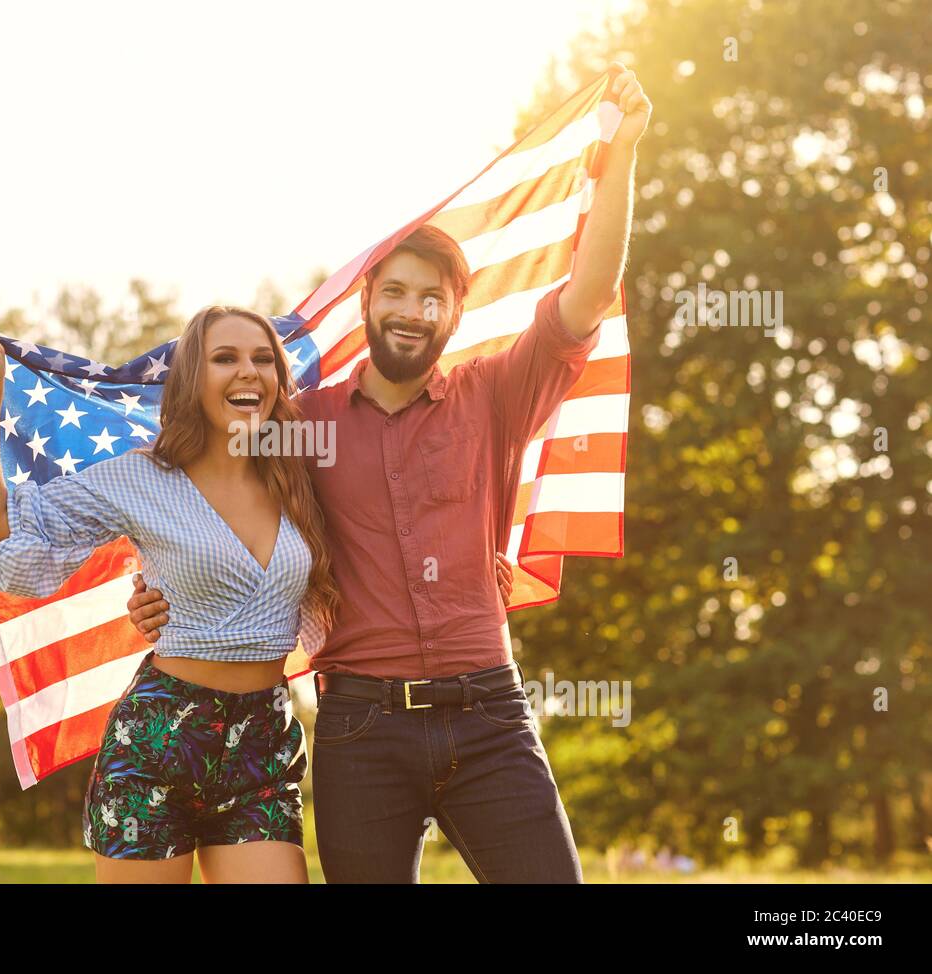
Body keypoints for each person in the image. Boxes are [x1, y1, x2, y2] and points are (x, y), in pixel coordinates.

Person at [126, 66, 653, 883]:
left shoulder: (494, 396)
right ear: (369, 301)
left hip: (490, 715)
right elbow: (208, 495)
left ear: (454, 312)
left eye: (432, 298)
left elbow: (585, 296)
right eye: (397, 292)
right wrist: (156, 579)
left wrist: (619, 159)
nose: (413, 310)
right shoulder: (301, 426)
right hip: (359, 729)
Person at [0, 305, 340, 884]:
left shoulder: (299, 476)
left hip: (262, 744)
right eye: (225, 358)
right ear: (191, 379)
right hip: (157, 744)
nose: (248, 372)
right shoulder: (142, 477)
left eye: (263, 359)